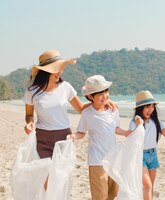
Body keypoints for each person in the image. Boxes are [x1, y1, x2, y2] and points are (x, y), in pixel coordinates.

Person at [23, 50, 116, 189]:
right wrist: (29, 123)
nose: (59, 72)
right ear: (45, 71)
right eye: (56, 69)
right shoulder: (32, 91)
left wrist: (103, 101)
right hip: (42, 139)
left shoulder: (65, 87)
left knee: (61, 181)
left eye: (60, 68)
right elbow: (29, 114)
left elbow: (81, 109)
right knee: (46, 180)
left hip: (63, 138)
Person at [67, 75, 142, 200]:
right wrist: (73, 136)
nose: (105, 96)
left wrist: (126, 133)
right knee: (100, 196)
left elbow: (115, 128)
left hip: (113, 158)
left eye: (106, 92)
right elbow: (81, 132)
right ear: (90, 96)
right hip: (96, 160)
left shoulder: (113, 110)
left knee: (112, 194)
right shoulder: (87, 114)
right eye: (100, 94)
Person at [129, 90, 165, 200]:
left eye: (152, 107)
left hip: (153, 155)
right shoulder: (134, 122)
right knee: (147, 185)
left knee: (150, 187)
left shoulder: (155, 120)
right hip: (140, 156)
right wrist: (139, 125)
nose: (151, 110)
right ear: (140, 108)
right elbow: (131, 141)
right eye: (147, 107)